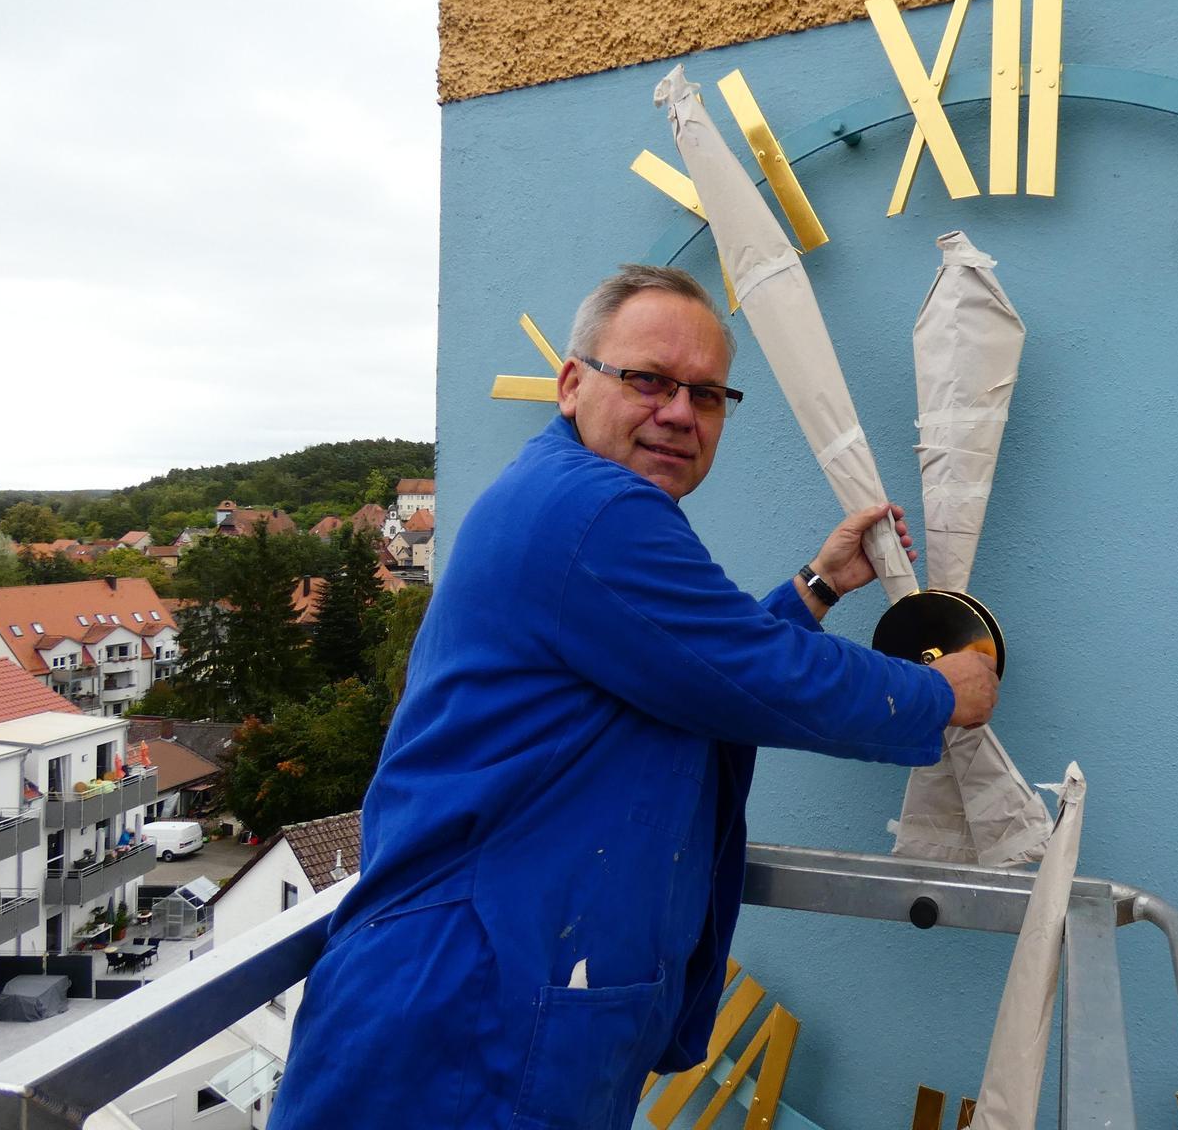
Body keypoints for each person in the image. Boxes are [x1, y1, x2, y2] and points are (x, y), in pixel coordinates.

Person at [271, 265, 999, 1129]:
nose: (680, 412)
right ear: (572, 384)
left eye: (707, 394)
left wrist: (816, 585)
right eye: (649, 379)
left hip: (476, 993)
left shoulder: (560, 498)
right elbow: (754, 673)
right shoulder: (595, 511)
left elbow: (688, 672)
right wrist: (935, 692)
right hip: (468, 1016)